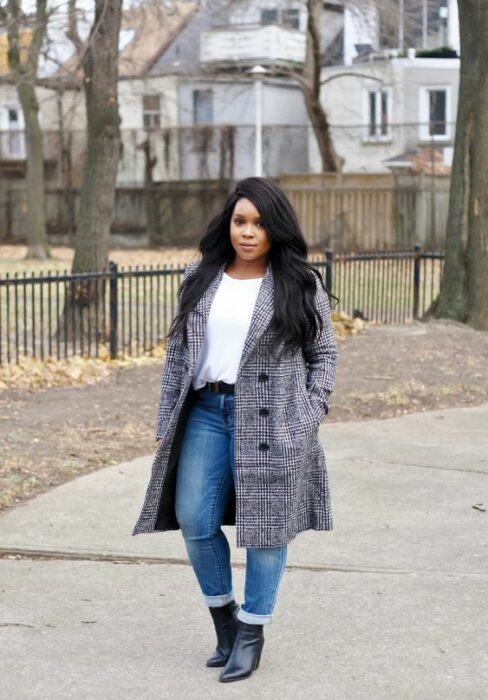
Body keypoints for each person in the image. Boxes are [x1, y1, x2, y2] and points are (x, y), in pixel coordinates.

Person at [132, 176, 338, 683]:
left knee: (266, 531)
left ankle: (252, 630)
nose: (248, 232)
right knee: (195, 520)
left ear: (276, 229)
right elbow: (179, 351)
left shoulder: (300, 283)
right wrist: (167, 417)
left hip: (274, 419)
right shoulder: (199, 275)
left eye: (260, 223)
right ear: (228, 223)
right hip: (205, 411)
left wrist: (308, 414)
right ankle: (225, 621)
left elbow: (324, 355)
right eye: (240, 221)